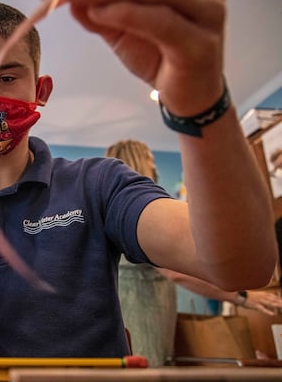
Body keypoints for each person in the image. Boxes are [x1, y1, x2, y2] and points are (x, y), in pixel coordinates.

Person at [0, 0, 277, 361]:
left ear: (40, 91)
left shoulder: (98, 186)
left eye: (6, 77)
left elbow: (242, 266)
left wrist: (198, 95)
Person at [106, 139, 282, 366]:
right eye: (151, 159)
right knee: (145, 369)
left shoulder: (118, 211)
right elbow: (174, 271)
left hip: (139, 318)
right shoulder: (137, 216)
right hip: (142, 321)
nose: (155, 167)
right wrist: (242, 297)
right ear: (138, 160)